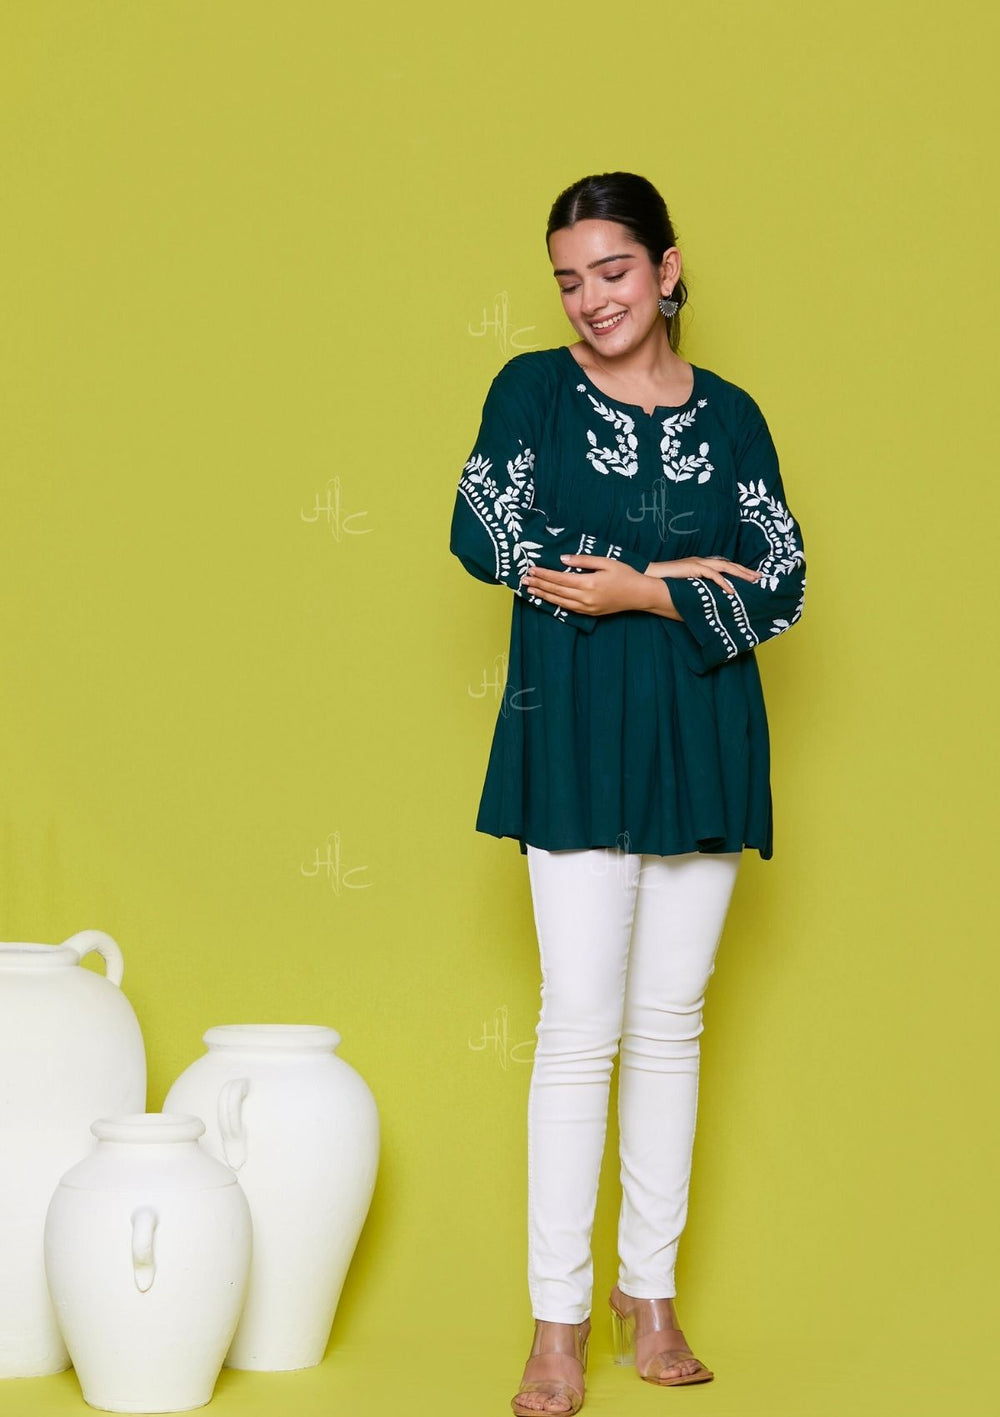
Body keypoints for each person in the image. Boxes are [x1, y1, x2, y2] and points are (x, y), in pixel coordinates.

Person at [448, 171, 807, 1414]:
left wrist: (641, 588)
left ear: (665, 269)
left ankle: (647, 1296)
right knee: (578, 1025)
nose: (590, 298)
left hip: (703, 732)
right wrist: (690, 572)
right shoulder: (530, 392)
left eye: (611, 271)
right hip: (571, 729)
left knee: (671, 1020)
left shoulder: (735, 415)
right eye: (568, 280)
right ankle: (556, 1322)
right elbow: (485, 531)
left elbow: (782, 582)